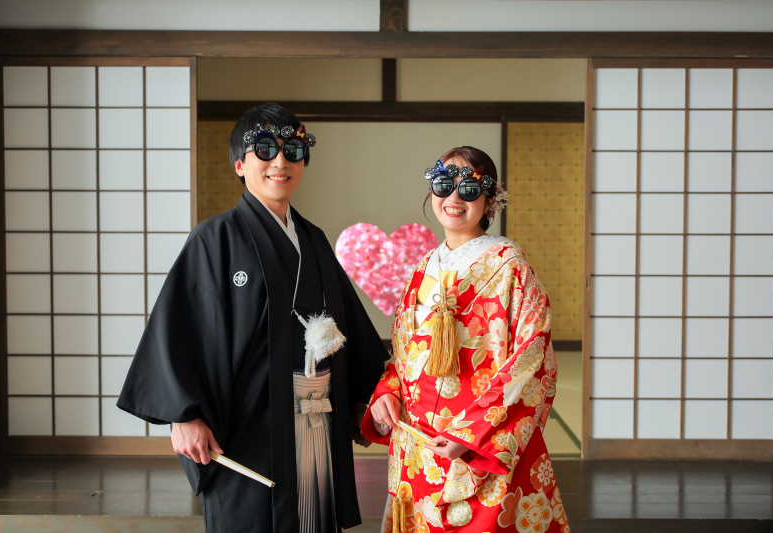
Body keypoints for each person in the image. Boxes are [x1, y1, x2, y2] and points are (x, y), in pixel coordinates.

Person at [117, 103, 388, 533]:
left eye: (292, 149)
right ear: (240, 164)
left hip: (315, 427)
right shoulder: (215, 239)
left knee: (314, 521)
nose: (280, 161)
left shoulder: (314, 241)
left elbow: (350, 329)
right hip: (247, 433)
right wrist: (182, 415)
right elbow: (180, 331)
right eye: (264, 149)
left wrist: (364, 399)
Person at [361, 147, 569, 532]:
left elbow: (532, 359)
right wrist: (386, 393)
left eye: (470, 189)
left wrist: (469, 436)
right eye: (443, 185)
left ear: (491, 201)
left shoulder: (511, 267)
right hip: (420, 446)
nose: (454, 198)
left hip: (480, 445)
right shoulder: (422, 269)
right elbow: (405, 356)